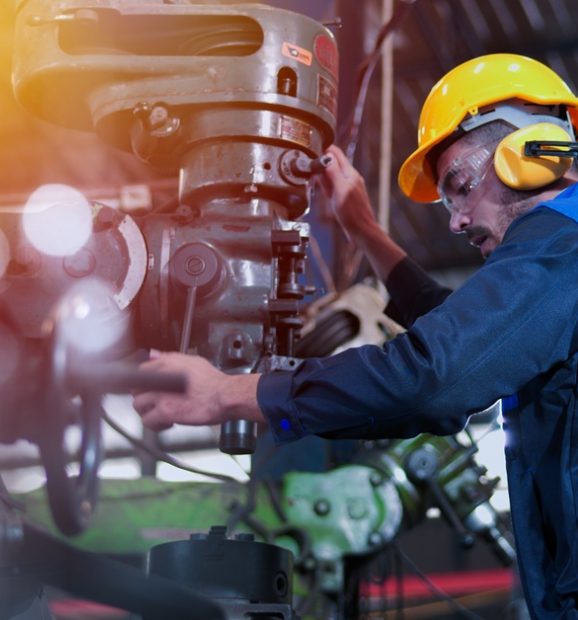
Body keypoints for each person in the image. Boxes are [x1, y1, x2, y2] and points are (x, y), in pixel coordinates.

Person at [132, 53, 578, 619]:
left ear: (531, 155)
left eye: (460, 186)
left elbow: (435, 374)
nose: (456, 221)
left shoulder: (560, 245)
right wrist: (363, 230)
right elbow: (469, 330)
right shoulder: (558, 261)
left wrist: (229, 393)